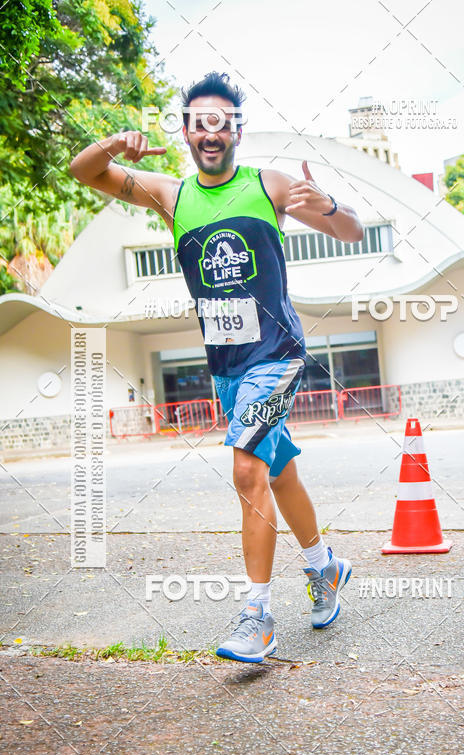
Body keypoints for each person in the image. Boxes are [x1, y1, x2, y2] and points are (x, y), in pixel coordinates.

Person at [70, 71, 363, 661]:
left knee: (248, 473)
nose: (211, 131)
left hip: (277, 357)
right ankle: (323, 567)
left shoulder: (270, 184)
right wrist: (114, 145)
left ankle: (256, 615)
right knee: (279, 474)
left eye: (221, 121)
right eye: (199, 121)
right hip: (226, 368)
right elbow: (85, 171)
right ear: (184, 131)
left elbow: (351, 232)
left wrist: (330, 205)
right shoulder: (170, 195)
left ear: (235, 131)